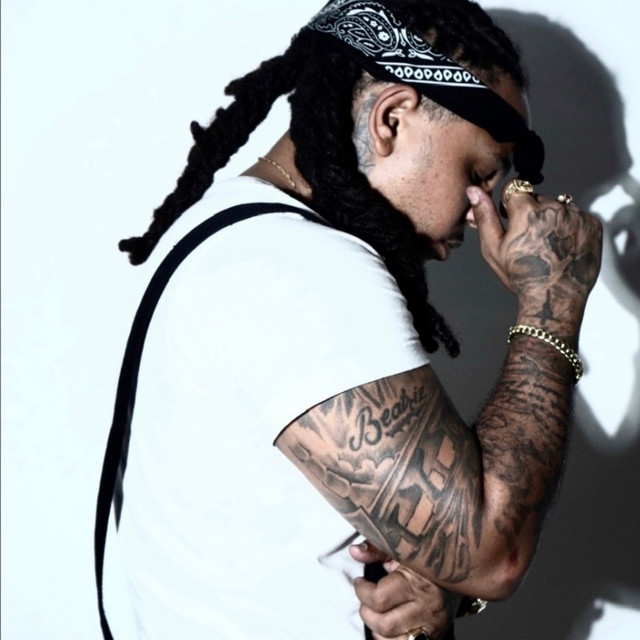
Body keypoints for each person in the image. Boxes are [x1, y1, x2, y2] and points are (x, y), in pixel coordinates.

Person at [95, 1, 603, 639]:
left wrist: (438, 589)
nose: (484, 214)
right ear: (392, 118)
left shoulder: (242, 234)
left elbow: (421, 547)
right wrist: (552, 300)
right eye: (479, 173)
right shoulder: (298, 270)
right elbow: (489, 553)